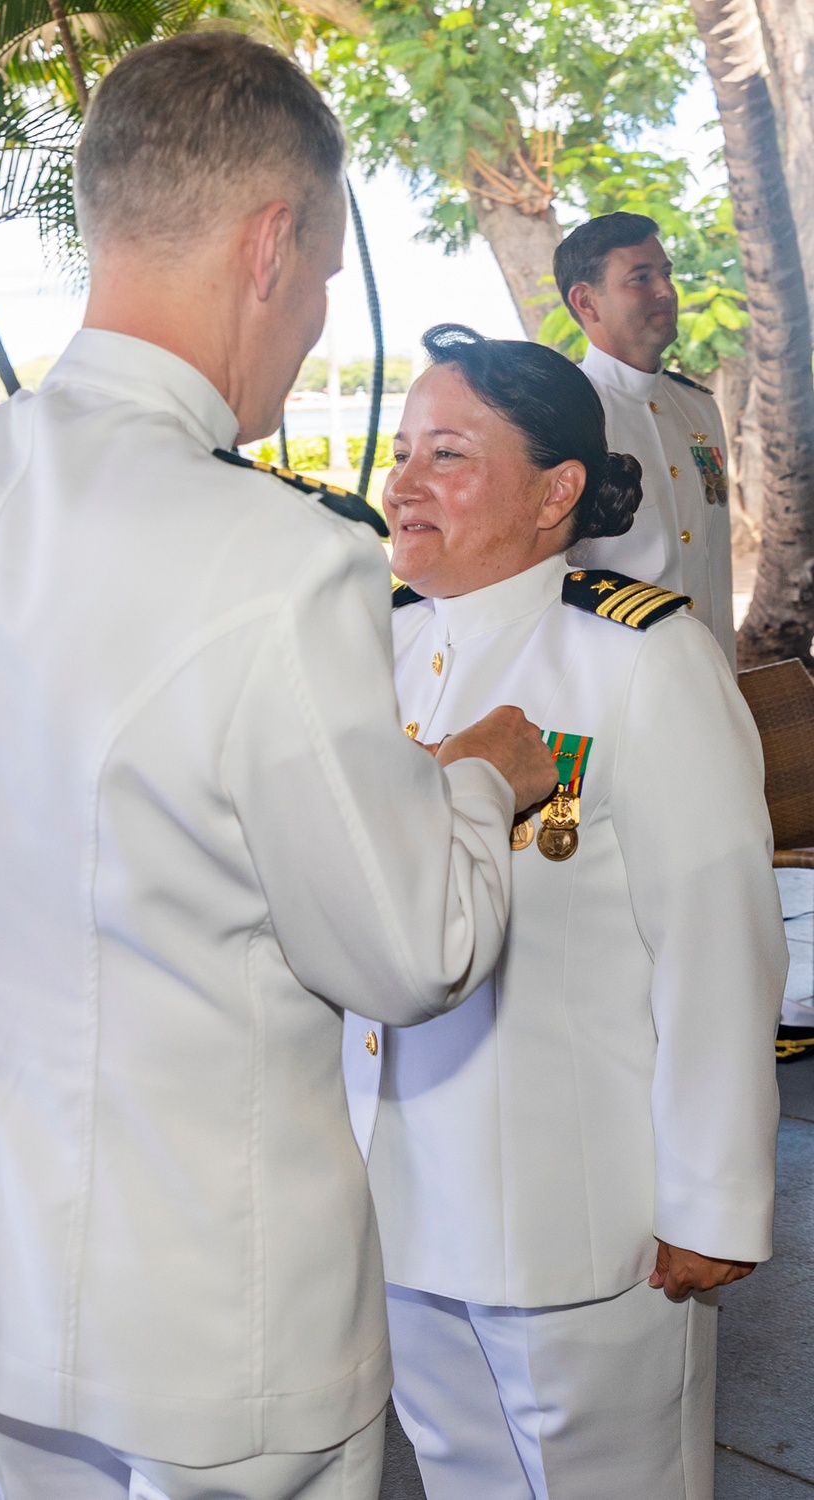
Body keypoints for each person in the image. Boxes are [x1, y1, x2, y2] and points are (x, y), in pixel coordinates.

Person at [0, 40, 557, 1500]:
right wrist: (481, 784)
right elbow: (409, 947)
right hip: (221, 1323)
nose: (313, 323)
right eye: (327, 276)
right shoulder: (275, 562)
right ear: (270, 242)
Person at [344, 324, 787, 1500]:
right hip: (397, 1206)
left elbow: (714, 942)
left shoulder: (636, 659)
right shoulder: (369, 653)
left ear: (555, 493)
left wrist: (712, 1197)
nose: (402, 480)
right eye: (401, 450)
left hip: (582, 1223)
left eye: (448, 453)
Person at [553, 211, 737, 669]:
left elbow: (712, 556)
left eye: (666, 273)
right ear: (586, 302)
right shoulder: (561, 414)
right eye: (640, 277)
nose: (666, 290)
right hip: (616, 682)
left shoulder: (698, 408)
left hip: (711, 672)